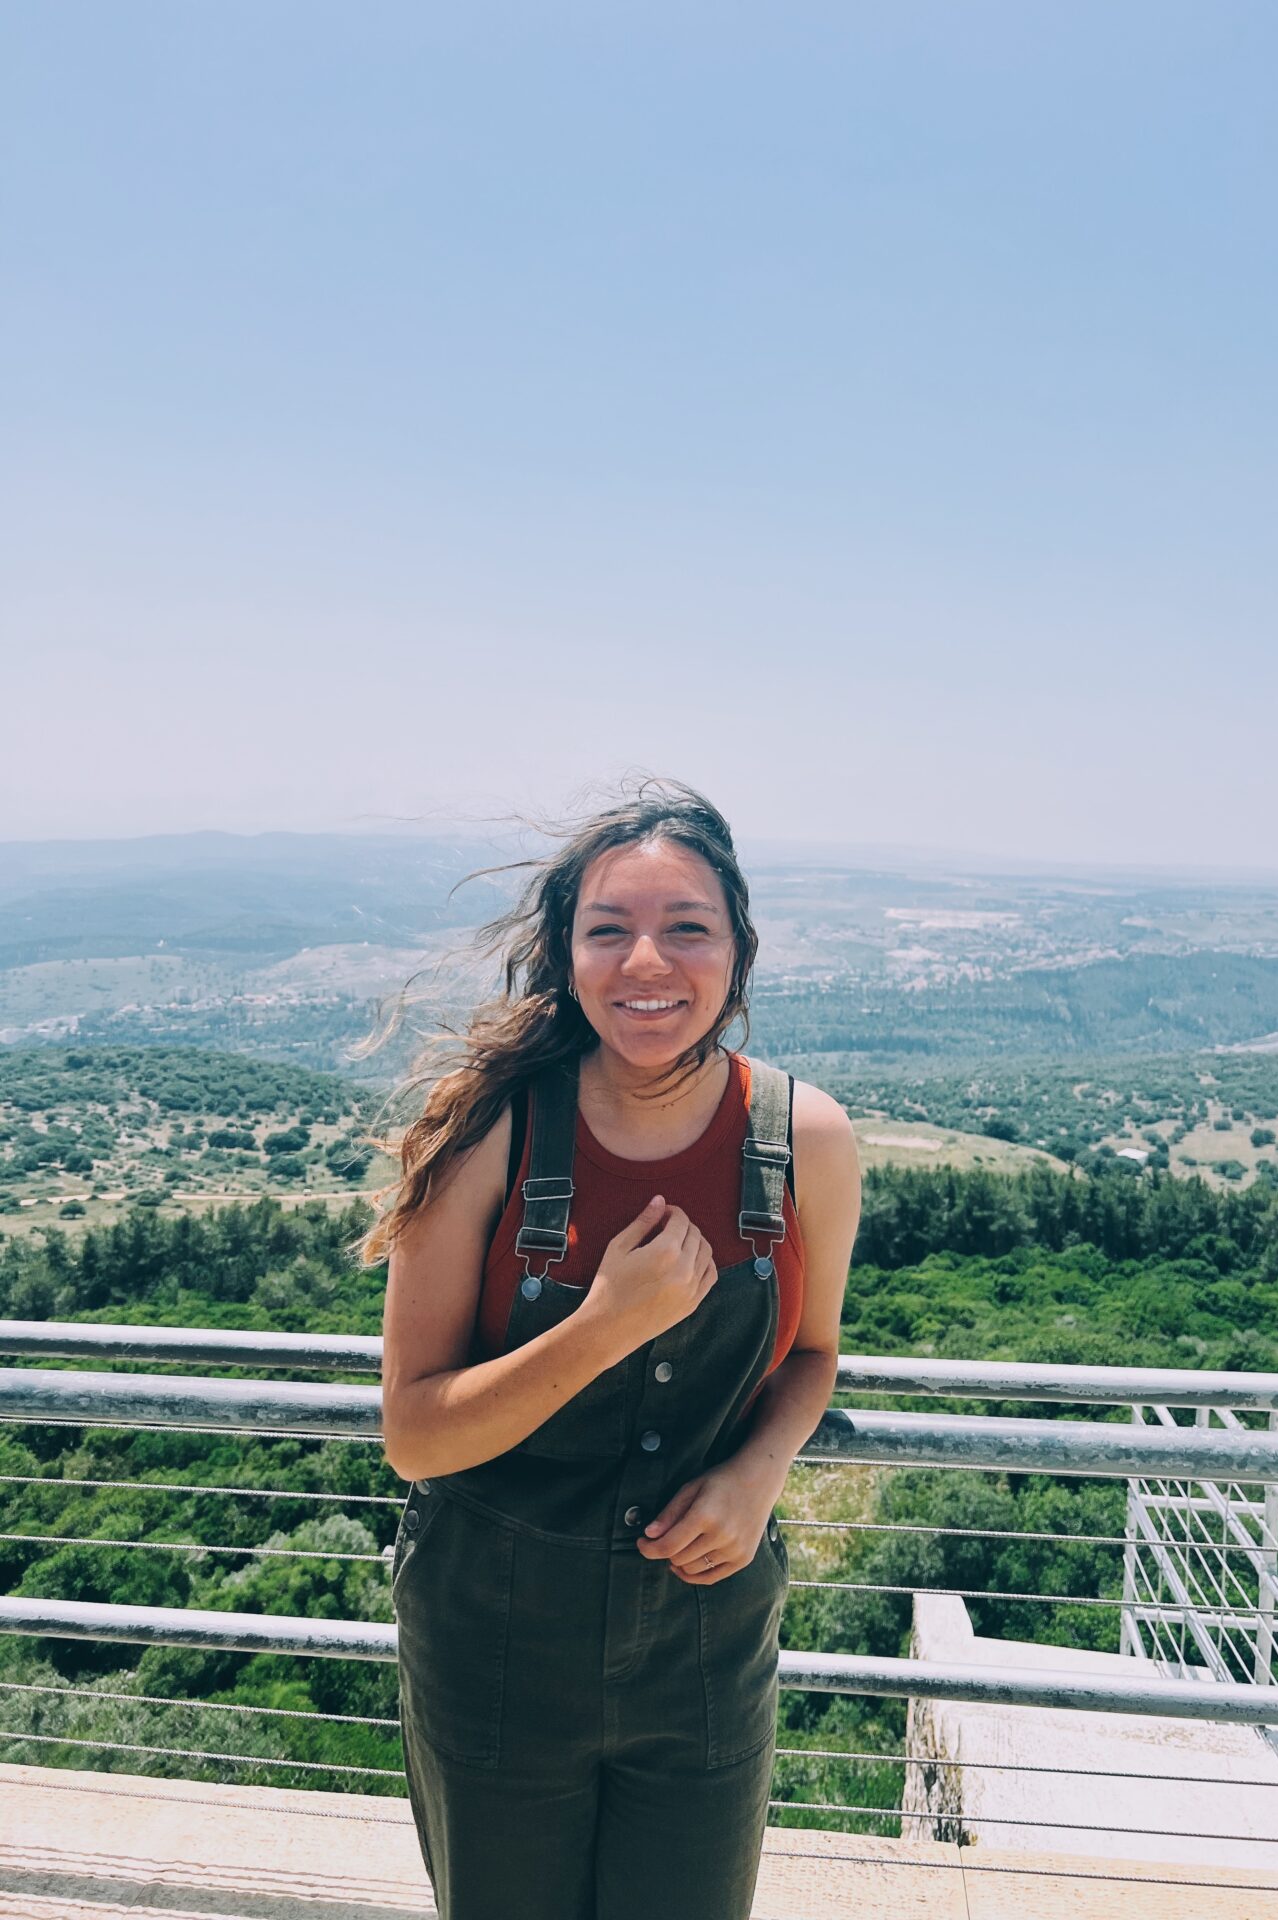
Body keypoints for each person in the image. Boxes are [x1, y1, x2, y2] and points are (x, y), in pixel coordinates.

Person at [365, 779, 862, 1920]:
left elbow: (815, 1355)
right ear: (567, 952)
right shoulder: (488, 1122)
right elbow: (414, 1433)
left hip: (705, 1641)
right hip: (490, 1636)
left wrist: (757, 1473)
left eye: (688, 927)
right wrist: (608, 1325)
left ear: (739, 948)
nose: (648, 962)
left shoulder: (807, 1142)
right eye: (609, 930)